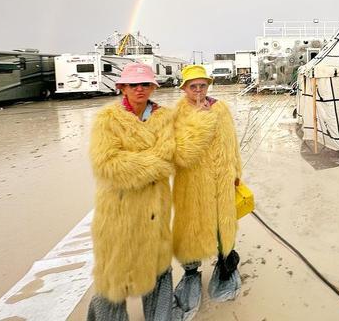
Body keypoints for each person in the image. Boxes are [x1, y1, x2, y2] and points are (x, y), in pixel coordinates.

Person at [87, 62, 175, 321]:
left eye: (145, 84)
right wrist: (156, 164)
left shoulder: (166, 117)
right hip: (118, 211)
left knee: (158, 269)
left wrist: (137, 161)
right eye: (133, 84)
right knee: (113, 276)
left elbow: (169, 152)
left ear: (153, 87)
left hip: (155, 210)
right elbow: (107, 165)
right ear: (122, 87)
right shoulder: (107, 119)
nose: (139, 89)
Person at [172, 64, 242, 320]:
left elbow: (231, 141)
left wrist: (236, 172)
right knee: (191, 225)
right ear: (184, 89)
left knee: (223, 224)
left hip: (221, 179)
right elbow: (181, 151)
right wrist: (199, 118)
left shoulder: (221, 108)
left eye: (202, 85)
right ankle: (191, 272)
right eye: (193, 86)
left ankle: (226, 266)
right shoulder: (178, 113)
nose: (199, 90)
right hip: (192, 181)